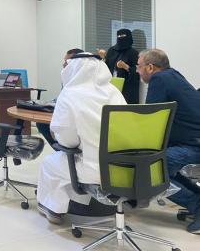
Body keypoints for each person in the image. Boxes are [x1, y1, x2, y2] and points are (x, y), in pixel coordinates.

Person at [37, 53, 126, 224]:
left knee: (50, 163)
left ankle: (54, 209)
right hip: (125, 167)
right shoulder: (115, 92)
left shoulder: (69, 94)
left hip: (94, 170)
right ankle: (80, 203)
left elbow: (67, 142)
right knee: (65, 162)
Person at [137, 49, 200, 234]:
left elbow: (150, 120)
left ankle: (197, 205)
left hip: (193, 145)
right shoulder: (173, 75)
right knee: (163, 168)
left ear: (150, 67)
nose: (137, 71)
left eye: (139, 66)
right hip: (192, 141)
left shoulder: (159, 79)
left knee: (149, 169)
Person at [36, 48, 84, 147]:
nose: (63, 64)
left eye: (67, 62)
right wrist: (47, 103)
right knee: (41, 122)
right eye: (64, 61)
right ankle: (61, 150)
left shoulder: (83, 78)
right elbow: (63, 96)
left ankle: (64, 149)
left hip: (77, 117)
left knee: (44, 124)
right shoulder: (67, 76)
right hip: (68, 111)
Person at [98, 28, 139, 103]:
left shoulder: (134, 53)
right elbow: (106, 68)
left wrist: (126, 67)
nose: (121, 38)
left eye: (123, 36)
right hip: (111, 86)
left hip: (127, 89)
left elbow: (138, 73)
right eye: (119, 36)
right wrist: (103, 58)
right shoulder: (111, 50)